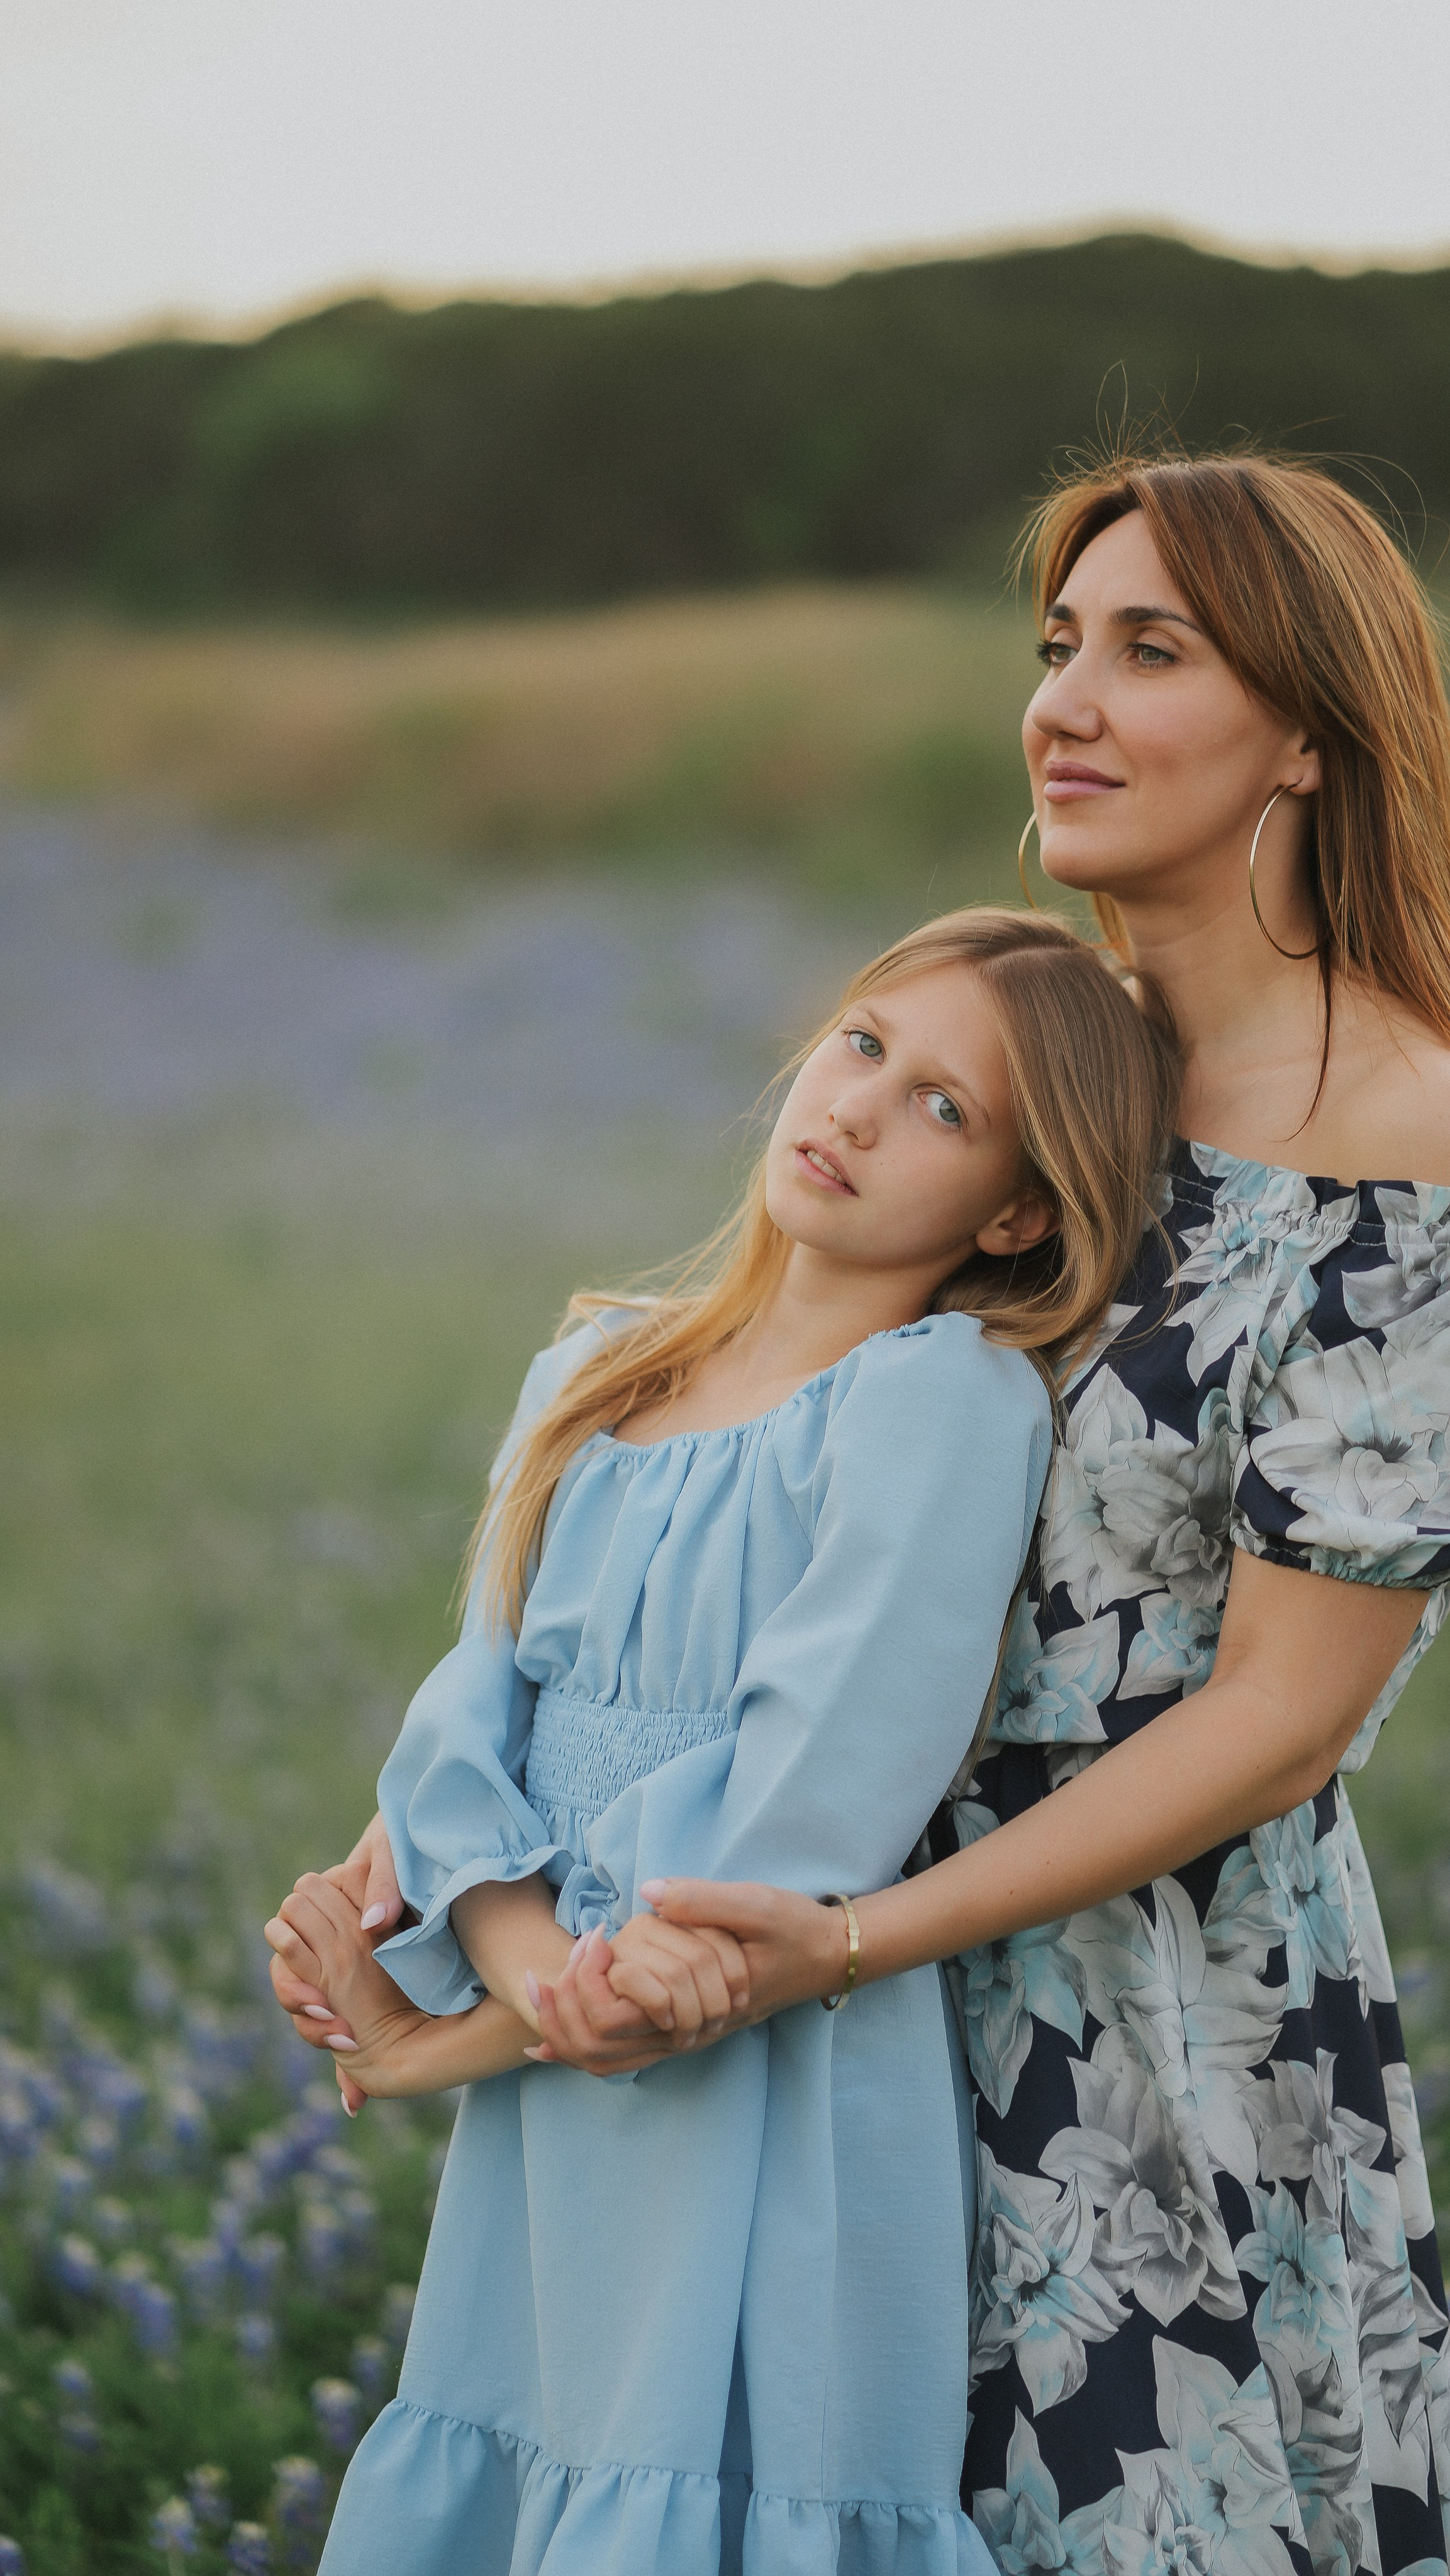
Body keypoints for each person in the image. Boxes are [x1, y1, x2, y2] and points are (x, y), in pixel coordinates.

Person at [513, 452, 1450, 2576]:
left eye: (1149, 650)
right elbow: (732, 1436)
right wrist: (457, 1804)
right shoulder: (1030, 1066)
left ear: (1306, 731)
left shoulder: (1409, 1144)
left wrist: (847, 1945)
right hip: (787, 1932)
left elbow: (1280, 1719)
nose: (1065, 702)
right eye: (1052, 649)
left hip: (1127, 2018)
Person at [265, 908, 1177, 2576]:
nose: (857, 1109)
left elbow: (804, 1796)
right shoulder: (593, 1371)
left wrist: (460, 2026)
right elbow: (468, 1705)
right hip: (560, 2056)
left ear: (1018, 1209)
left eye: (944, 1112)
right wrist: (514, 1960)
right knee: (535, 2446)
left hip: (766, 2063)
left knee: (701, 2487)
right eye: (862, 1047)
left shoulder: (936, 1399)